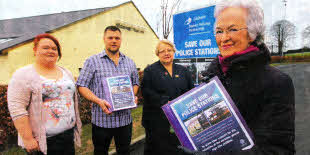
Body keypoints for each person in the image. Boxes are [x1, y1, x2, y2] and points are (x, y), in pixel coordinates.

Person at [180, 0, 295, 154]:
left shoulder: (277, 82)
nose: (224, 38)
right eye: (219, 31)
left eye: (232, 29)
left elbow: (278, 150)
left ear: (252, 33)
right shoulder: (211, 78)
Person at [7, 33, 82, 155]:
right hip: (43, 141)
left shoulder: (66, 72)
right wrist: (28, 139)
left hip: (67, 136)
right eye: (45, 47)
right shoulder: (23, 75)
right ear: (35, 50)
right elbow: (17, 108)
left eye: (54, 48)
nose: (51, 51)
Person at [76, 26, 139, 155]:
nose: (114, 41)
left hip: (124, 120)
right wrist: (98, 101)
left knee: (125, 151)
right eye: (110, 38)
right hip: (102, 121)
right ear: (104, 39)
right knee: (100, 152)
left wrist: (132, 96)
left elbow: (135, 83)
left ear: (121, 40)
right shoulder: (92, 61)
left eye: (117, 38)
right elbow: (81, 86)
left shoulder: (130, 62)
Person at [141, 40, 194, 155]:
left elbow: (191, 90)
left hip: (179, 119)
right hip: (156, 121)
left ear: (174, 52)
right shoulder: (150, 71)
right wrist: (165, 102)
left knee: (177, 149)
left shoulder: (183, 70)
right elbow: (146, 92)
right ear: (157, 54)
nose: (166, 53)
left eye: (169, 50)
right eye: (162, 51)